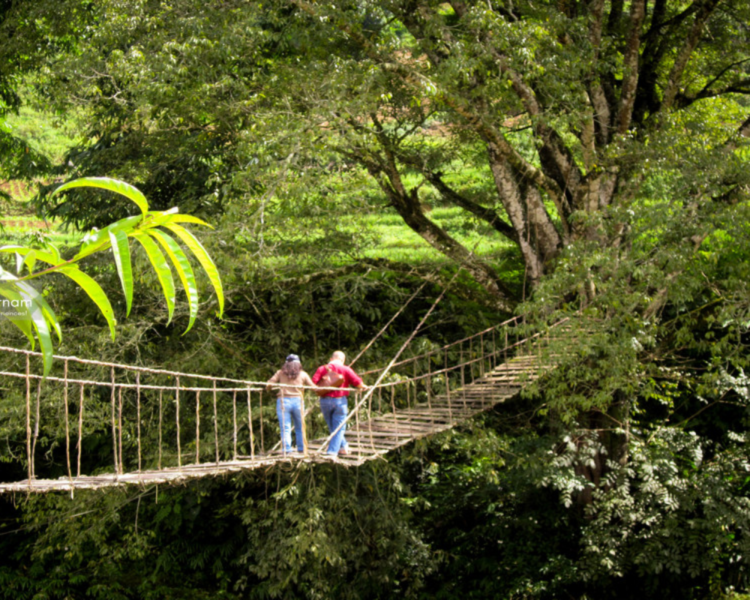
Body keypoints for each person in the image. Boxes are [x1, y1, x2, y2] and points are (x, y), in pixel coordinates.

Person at [312, 351, 367, 456]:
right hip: (340, 401)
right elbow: (357, 382)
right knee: (339, 428)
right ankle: (332, 452)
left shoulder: (322, 369)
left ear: (331, 359)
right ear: (343, 360)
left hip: (324, 401)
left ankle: (343, 447)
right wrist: (363, 387)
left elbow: (313, 382)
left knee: (332, 426)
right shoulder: (346, 369)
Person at [266, 354, 314, 454]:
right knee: (300, 426)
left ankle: (287, 449)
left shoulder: (280, 373)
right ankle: (302, 448)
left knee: (285, 427)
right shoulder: (303, 374)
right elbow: (313, 387)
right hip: (298, 402)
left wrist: (268, 388)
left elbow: (270, 383)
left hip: (284, 401)